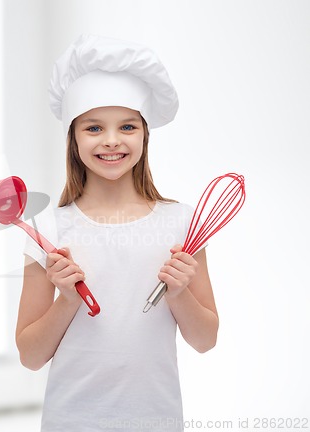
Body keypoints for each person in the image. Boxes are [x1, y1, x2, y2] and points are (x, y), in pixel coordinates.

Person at [16, 34, 219, 432]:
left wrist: (178, 294)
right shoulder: (49, 229)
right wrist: (67, 299)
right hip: (71, 421)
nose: (111, 140)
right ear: (73, 139)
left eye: (127, 126)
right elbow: (30, 355)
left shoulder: (183, 224)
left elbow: (205, 339)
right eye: (93, 127)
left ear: (145, 135)